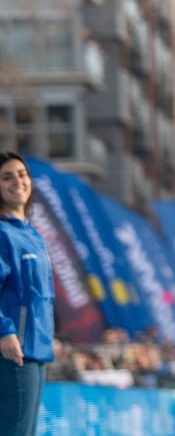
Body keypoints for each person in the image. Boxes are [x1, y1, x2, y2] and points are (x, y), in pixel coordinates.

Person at [0, 151, 54, 436]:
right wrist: (4, 331)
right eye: (6, 177)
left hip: (36, 350)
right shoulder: (3, 233)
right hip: (13, 349)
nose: (17, 181)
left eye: (21, 174)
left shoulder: (32, 234)